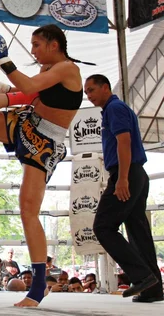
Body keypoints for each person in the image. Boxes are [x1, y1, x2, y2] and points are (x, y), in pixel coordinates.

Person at [0, 24, 90, 306]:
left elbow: (28, 87)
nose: (33, 50)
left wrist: (2, 59)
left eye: (37, 44)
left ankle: (38, 287)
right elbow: (30, 95)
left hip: (45, 143)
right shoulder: (47, 71)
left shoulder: (67, 69)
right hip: (26, 123)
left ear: (54, 45)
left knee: (28, 210)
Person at [84, 74, 164, 303]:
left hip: (126, 172)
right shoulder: (117, 108)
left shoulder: (115, 108)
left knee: (103, 226)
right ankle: (153, 288)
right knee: (137, 229)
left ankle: (141, 277)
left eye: (91, 90)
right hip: (136, 172)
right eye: (86, 92)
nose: (88, 96)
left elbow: (124, 141)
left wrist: (122, 179)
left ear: (105, 88)